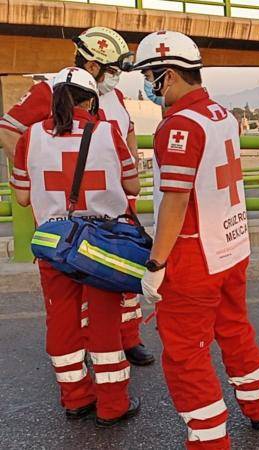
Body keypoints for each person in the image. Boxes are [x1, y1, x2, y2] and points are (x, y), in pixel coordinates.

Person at [134, 31, 259, 449]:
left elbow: (174, 200)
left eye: (150, 76)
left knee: (186, 354)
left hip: (193, 256)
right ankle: (257, 405)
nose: (148, 85)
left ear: (168, 75)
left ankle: (209, 440)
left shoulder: (178, 127)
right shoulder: (221, 115)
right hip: (232, 244)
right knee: (234, 328)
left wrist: (155, 265)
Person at [0, 26, 154, 367]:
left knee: (121, 281)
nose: (115, 78)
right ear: (95, 65)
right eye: (112, 70)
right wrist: (35, 173)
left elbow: (127, 135)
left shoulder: (113, 98)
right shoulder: (49, 90)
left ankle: (128, 341)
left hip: (113, 212)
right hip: (65, 218)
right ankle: (98, 357)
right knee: (79, 290)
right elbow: (8, 130)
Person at [10, 67, 141, 425]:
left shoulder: (31, 137)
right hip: (102, 243)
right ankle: (113, 404)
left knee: (62, 320)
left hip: (55, 244)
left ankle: (75, 399)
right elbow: (134, 187)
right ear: (92, 101)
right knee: (104, 322)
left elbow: (22, 197)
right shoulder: (107, 132)